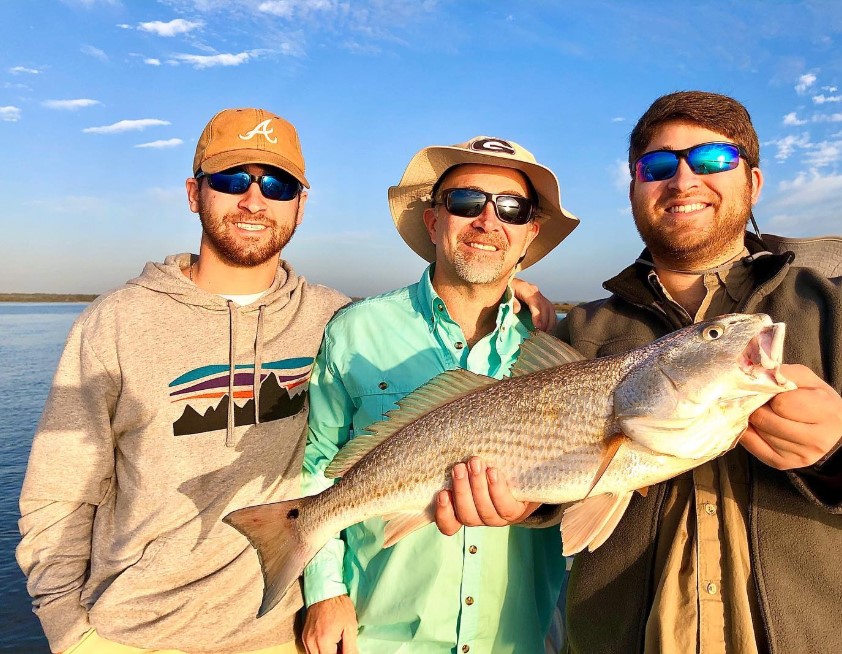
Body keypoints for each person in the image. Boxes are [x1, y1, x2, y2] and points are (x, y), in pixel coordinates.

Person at [436, 91, 842, 653]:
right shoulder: (580, 334)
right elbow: (555, 486)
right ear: (633, 188)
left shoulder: (832, 312)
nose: (683, 181)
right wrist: (525, 505)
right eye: (657, 166)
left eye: (713, 161)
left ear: (753, 183)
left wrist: (837, 455)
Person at [16, 108, 351, 654]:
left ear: (301, 205)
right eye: (231, 179)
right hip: (129, 637)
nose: (253, 200)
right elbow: (58, 495)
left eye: (277, 184)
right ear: (194, 194)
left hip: (283, 636)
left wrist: (525, 303)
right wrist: (70, 634)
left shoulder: (337, 322)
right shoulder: (115, 322)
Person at [300, 136, 580, 654]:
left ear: (528, 235)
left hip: (515, 637)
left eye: (512, 209)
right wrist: (324, 593)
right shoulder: (354, 330)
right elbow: (316, 466)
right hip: (378, 636)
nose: (488, 221)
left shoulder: (557, 345)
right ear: (433, 222)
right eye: (465, 202)